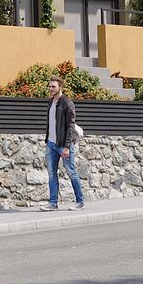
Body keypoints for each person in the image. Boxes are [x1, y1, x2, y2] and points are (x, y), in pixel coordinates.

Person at [40, 76, 86, 211]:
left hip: (63, 145)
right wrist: (48, 140)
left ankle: (80, 201)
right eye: (49, 86)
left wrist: (67, 147)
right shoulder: (51, 102)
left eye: (53, 86)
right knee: (51, 174)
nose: (50, 89)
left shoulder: (67, 103)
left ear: (60, 87)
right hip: (51, 144)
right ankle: (53, 203)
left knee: (71, 172)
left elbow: (70, 126)